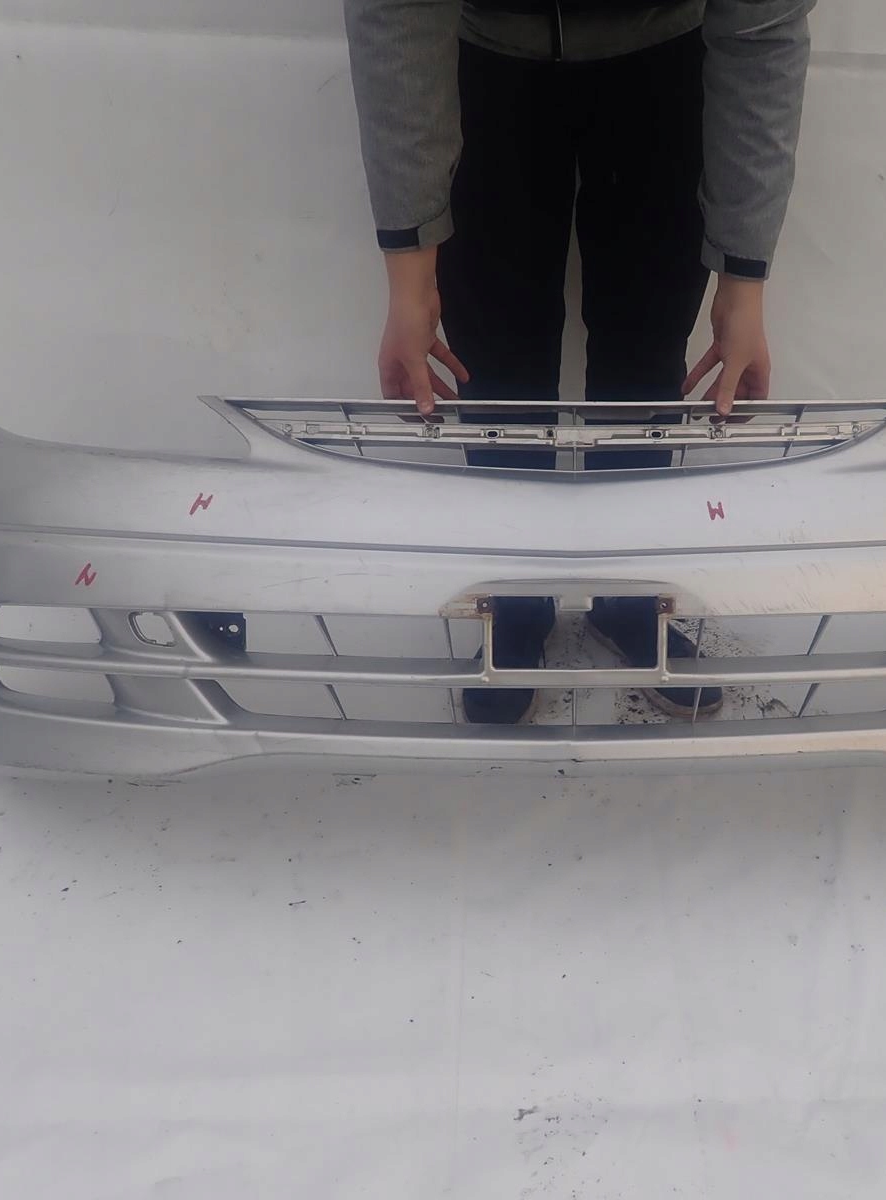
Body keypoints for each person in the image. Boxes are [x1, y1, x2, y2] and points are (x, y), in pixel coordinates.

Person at [343, 0, 815, 724]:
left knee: (646, 357)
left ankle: (629, 596)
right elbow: (395, 9)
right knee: (494, 366)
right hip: (487, 54)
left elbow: (764, 27)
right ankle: (515, 604)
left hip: (662, 56)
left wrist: (743, 281)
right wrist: (409, 280)